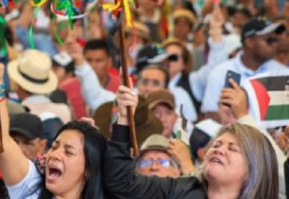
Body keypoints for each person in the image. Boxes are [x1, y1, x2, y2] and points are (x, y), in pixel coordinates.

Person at [105, 84, 279, 199]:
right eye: (217, 144)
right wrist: (124, 119)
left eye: (233, 148)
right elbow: (121, 183)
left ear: (253, 169)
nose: (219, 150)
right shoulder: (180, 190)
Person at [0, 59, 109, 199]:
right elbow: (2, 144)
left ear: (88, 169)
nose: (54, 155)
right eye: (54, 146)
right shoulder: (32, 187)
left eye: (68, 152)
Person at [201, 18, 289, 119]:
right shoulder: (221, 72)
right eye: (269, 40)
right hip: (231, 133)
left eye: (276, 40)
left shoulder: (282, 73)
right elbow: (210, 114)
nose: (275, 45)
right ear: (249, 42)